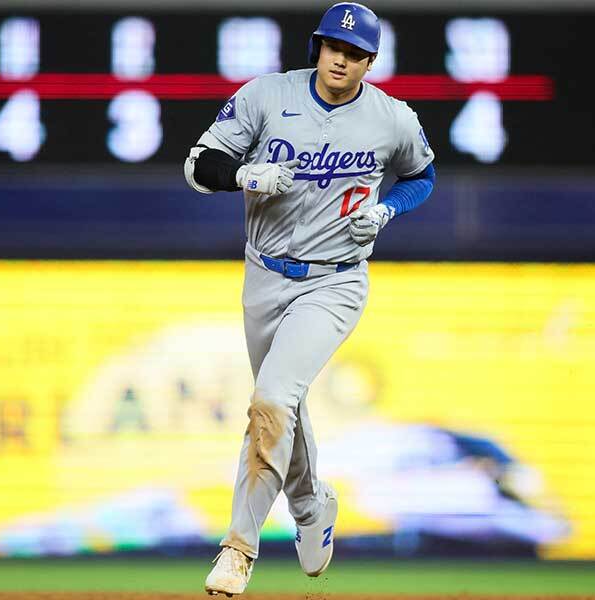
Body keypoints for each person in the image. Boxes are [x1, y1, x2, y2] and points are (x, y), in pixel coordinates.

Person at [183, 2, 436, 596]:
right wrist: (243, 176)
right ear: (317, 47)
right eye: (332, 47)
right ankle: (311, 505)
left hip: (335, 281)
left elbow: (422, 176)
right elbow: (198, 165)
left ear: (370, 62)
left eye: (354, 53)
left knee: (272, 398)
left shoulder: (392, 119)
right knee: (281, 410)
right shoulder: (266, 96)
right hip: (264, 275)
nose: (340, 60)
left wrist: (386, 209)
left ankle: (238, 549)